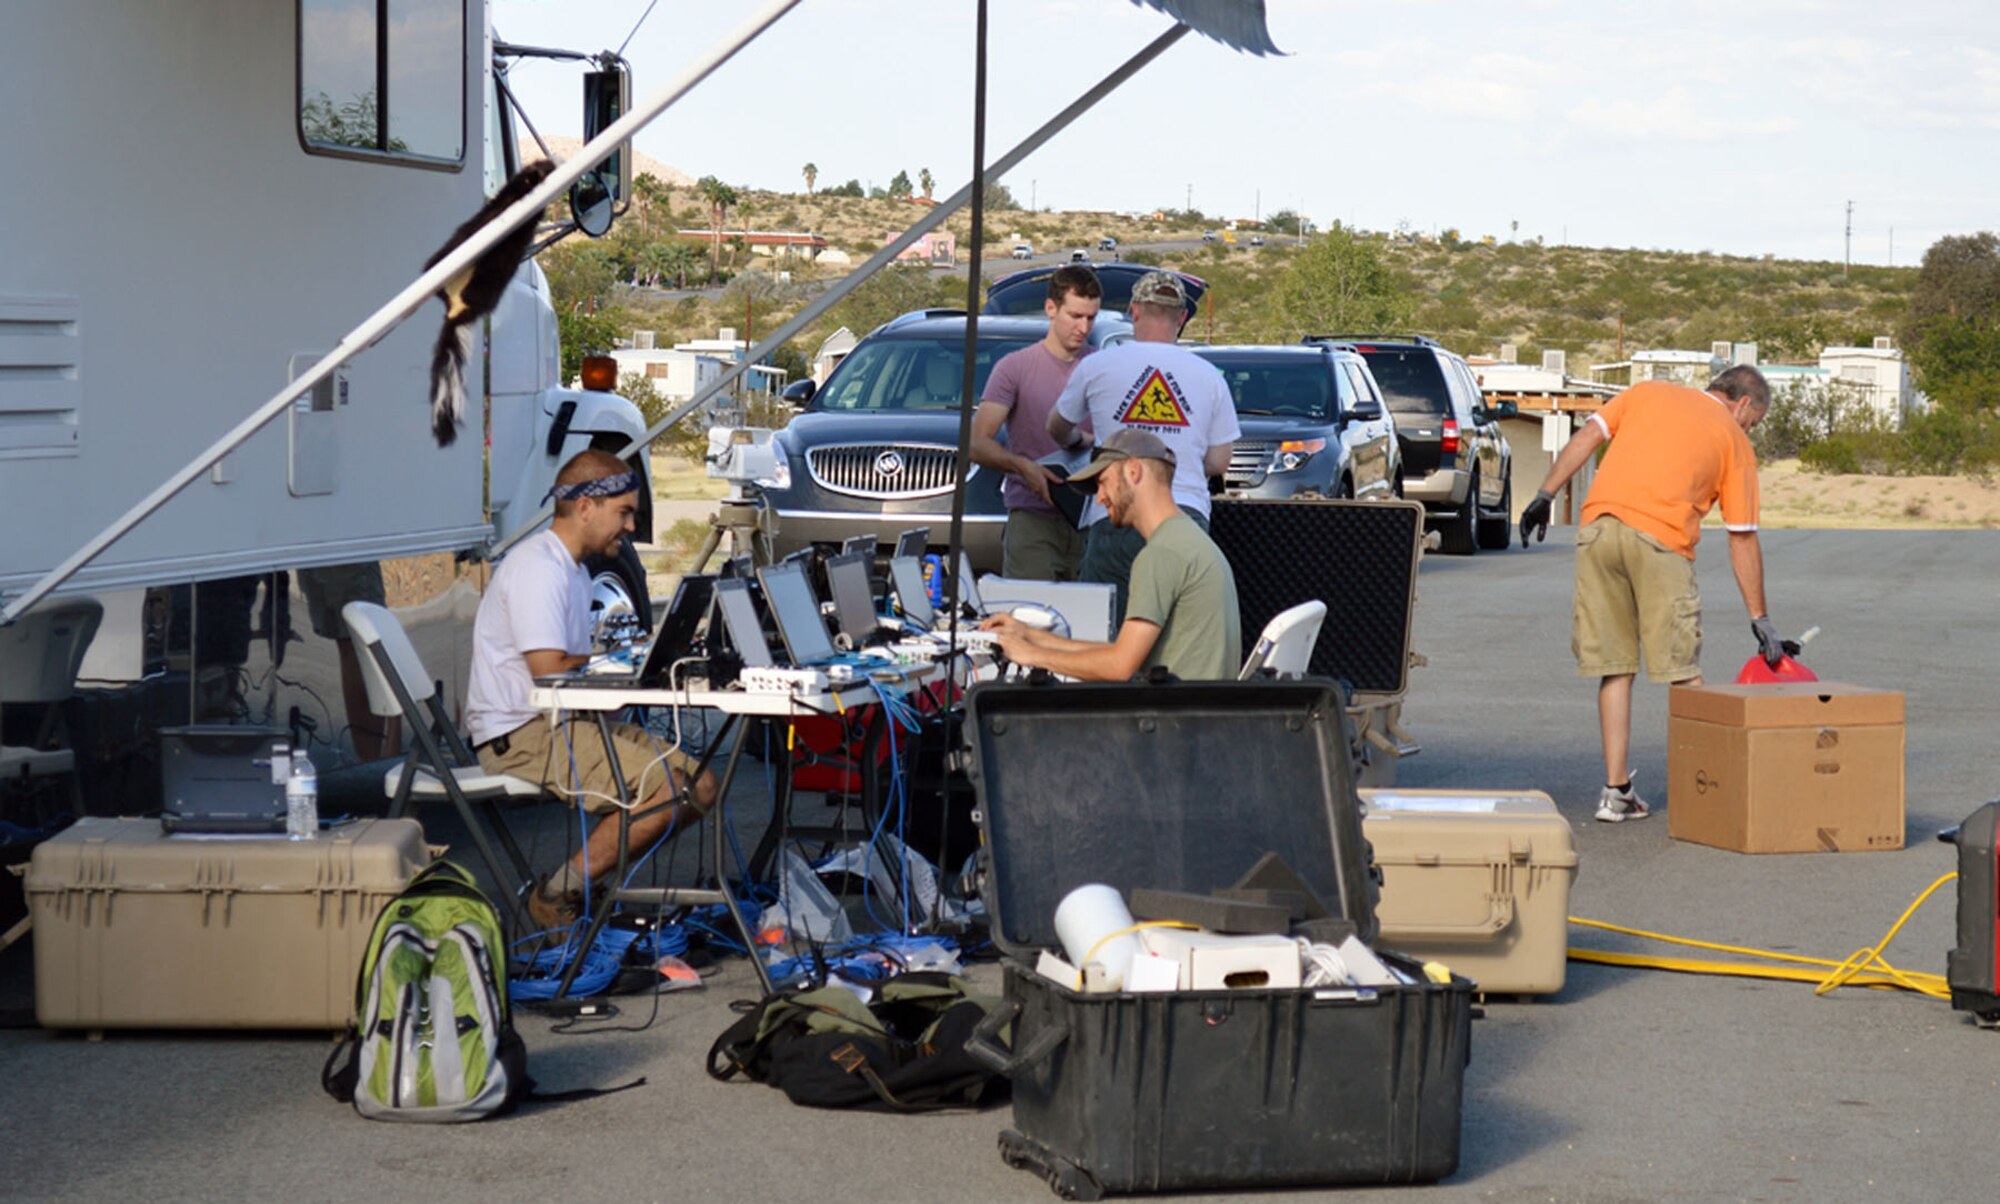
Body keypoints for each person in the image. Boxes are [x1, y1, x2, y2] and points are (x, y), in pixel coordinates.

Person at [1519, 364, 1796, 823]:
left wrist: (1544, 495)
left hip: (1598, 531)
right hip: (1660, 542)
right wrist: (1760, 618)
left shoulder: (1645, 393)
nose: (1749, 429)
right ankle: (1716, 787)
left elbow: (1588, 437)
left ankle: (1616, 792)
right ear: (1743, 403)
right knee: (1682, 671)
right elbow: (1741, 535)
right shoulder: (1733, 438)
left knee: (1616, 667)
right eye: (1754, 422)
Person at [465, 449, 717, 929]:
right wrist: (618, 660)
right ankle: (559, 892)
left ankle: (585, 886)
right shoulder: (539, 568)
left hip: (562, 722)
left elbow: (570, 668)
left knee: (700, 785)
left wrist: (637, 657)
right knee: (668, 790)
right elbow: (548, 669)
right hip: (523, 733)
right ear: (585, 507)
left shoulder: (573, 570)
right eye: (623, 513)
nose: (629, 527)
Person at [1047, 270, 1239, 621]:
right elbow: (1219, 461)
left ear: (1134, 310)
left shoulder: (1097, 365)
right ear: (1181, 317)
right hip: (1185, 515)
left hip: (1115, 515)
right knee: (1178, 631)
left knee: (1108, 632)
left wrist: (1080, 442)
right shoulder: (1209, 376)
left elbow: (1056, 427)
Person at [981, 430, 1241, 681]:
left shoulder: (1162, 554)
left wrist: (1030, 654)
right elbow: (1119, 653)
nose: (1099, 498)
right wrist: (1029, 635)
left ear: (1133, 471)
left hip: (1170, 721)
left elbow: (1118, 666)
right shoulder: (1187, 541)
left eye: (1103, 482)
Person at [969, 264, 1103, 580]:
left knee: (1094, 622)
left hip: (1095, 521)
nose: (1083, 327)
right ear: (1050, 308)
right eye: (1075, 316)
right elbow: (977, 443)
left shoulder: (1104, 367)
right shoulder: (1014, 368)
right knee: (1027, 616)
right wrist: (1023, 467)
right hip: (1032, 519)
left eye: (1091, 318)